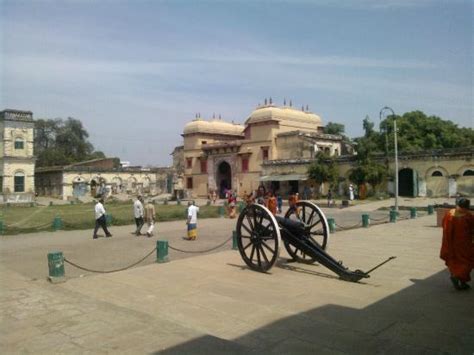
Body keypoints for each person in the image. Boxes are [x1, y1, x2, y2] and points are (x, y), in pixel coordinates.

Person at [440, 198, 474, 291]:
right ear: (466, 207)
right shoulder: (468, 216)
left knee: (453, 260)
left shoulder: (449, 214)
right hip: (465, 244)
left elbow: (444, 226)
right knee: (466, 262)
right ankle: (461, 280)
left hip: (451, 242)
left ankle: (455, 276)